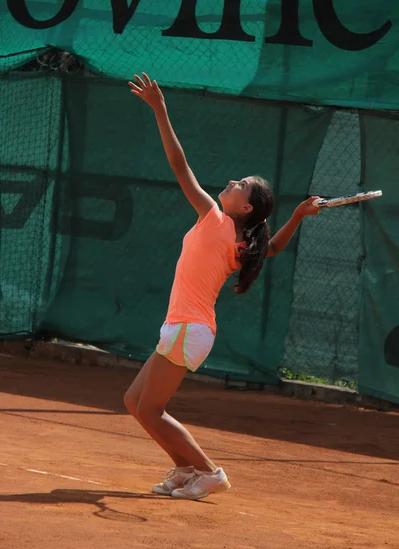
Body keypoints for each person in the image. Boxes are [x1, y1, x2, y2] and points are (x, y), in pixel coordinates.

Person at [124, 73, 320, 501]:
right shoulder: (244, 242)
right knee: (134, 402)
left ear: (244, 207)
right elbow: (276, 246)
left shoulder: (215, 218)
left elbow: (180, 165)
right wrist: (299, 215)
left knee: (150, 409)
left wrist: (160, 108)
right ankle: (184, 467)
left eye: (240, 186)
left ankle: (209, 472)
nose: (231, 182)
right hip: (186, 327)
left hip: (189, 328)